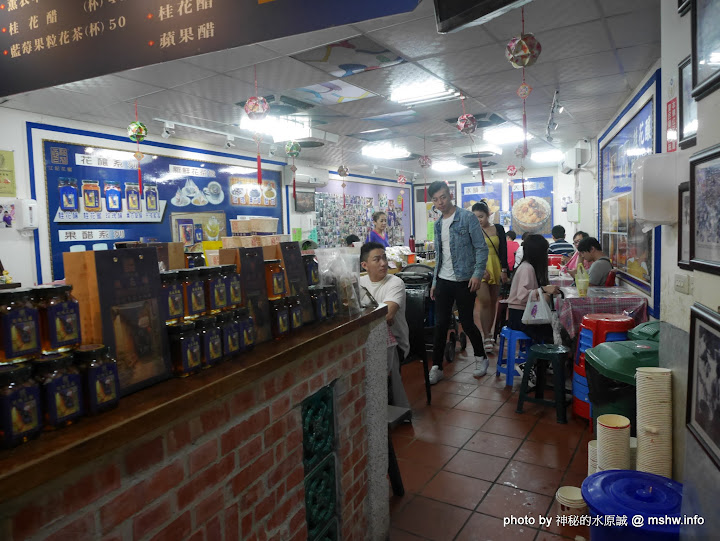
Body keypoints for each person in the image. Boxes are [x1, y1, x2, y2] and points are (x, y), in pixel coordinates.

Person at [428, 181, 489, 383]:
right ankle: (436, 366)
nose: (440, 202)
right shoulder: (437, 224)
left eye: (443, 197)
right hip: (443, 281)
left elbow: (481, 248)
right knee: (441, 324)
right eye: (435, 199)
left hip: (464, 280)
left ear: (450, 195)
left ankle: (481, 357)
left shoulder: (467, 217)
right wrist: (435, 281)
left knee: (467, 321)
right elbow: (440, 255)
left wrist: (477, 274)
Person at [358, 242, 410, 407]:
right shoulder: (359, 283)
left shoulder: (395, 283)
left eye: (384, 258)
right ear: (365, 265)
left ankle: (379, 408)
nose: (384, 263)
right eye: (377, 259)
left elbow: (386, 316)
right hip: (367, 339)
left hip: (395, 343)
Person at [506, 234, 561, 343]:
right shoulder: (527, 268)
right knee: (549, 332)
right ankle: (538, 359)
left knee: (551, 327)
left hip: (521, 314)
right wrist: (543, 290)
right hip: (519, 317)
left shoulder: (528, 267)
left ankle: (539, 358)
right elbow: (522, 296)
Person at [471, 201, 509, 353]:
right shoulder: (471, 231)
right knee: (484, 300)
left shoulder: (498, 228)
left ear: (488, 215)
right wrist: (479, 268)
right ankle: (485, 335)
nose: (478, 220)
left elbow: (504, 250)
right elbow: (470, 252)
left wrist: (504, 269)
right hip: (479, 268)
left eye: (481, 216)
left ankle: (490, 335)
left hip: (496, 266)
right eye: (475, 217)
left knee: (493, 302)